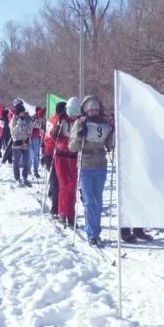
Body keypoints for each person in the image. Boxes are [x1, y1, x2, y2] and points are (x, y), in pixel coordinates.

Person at [69, 95, 114, 247]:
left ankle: (97, 231)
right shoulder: (80, 123)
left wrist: (112, 132)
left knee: (98, 201)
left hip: (100, 165)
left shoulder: (104, 124)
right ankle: (91, 233)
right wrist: (79, 135)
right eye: (91, 109)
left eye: (96, 108)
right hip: (86, 166)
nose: (94, 111)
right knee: (89, 201)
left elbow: (109, 146)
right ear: (86, 109)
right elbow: (72, 147)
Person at [49, 98, 79, 228]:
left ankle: (71, 215)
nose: (73, 116)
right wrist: (57, 128)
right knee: (63, 185)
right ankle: (62, 213)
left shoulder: (80, 121)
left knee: (72, 186)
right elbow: (52, 135)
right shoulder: (62, 120)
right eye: (71, 112)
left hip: (73, 156)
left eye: (75, 113)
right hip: (61, 156)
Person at [43, 101, 66, 218]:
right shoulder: (59, 120)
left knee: (54, 179)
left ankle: (52, 194)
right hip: (53, 152)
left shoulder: (51, 119)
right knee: (57, 181)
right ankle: (55, 208)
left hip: (48, 150)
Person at [9, 99, 33, 187]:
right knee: (17, 161)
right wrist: (18, 126)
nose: (23, 114)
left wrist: (29, 125)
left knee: (26, 162)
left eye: (24, 112)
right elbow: (12, 133)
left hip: (25, 142)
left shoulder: (27, 119)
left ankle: (25, 178)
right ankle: (17, 179)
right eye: (22, 112)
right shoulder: (14, 120)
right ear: (18, 113)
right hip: (16, 143)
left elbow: (29, 132)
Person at [29, 107, 45, 179]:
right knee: (31, 154)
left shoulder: (41, 118)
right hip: (30, 137)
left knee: (36, 155)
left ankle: (35, 170)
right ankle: (28, 168)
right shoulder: (33, 117)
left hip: (37, 138)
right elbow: (33, 125)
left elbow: (42, 127)